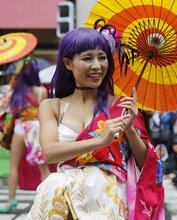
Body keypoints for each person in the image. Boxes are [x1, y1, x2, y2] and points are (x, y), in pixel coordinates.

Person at [26, 24, 165, 220]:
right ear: (68, 63)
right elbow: (49, 153)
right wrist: (100, 140)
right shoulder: (51, 106)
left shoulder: (122, 105)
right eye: (87, 58)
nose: (97, 66)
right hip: (61, 199)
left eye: (102, 57)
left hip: (108, 200)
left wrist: (130, 129)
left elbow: (147, 164)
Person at [0, 59, 50, 213]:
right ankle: (47, 200)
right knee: (44, 167)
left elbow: (5, 108)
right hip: (37, 128)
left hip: (21, 127)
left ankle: (11, 199)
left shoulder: (16, 92)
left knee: (13, 165)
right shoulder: (42, 91)